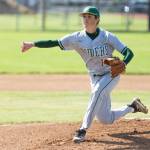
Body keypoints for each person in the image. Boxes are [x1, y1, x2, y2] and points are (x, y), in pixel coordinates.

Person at [21, 6, 148, 143]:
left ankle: (82, 130)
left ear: (97, 19)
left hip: (110, 74)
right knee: (106, 119)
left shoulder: (107, 36)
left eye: (89, 16)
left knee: (97, 92)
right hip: (94, 77)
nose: (85, 19)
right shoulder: (76, 38)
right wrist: (32, 44)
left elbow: (129, 52)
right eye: (84, 16)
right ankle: (133, 106)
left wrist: (124, 63)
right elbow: (55, 42)